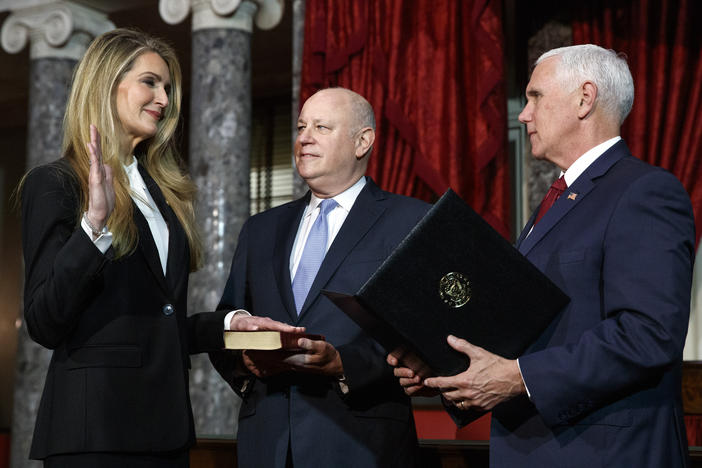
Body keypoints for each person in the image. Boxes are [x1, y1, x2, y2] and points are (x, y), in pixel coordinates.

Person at [388, 44, 695, 467]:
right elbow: (527, 328)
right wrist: (448, 369)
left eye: (535, 97)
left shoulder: (644, 191)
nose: (523, 114)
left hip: (605, 453)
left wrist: (520, 378)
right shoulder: (559, 199)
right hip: (533, 448)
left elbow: (648, 334)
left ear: (584, 99)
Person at [19, 28, 298, 467]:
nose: (164, 99)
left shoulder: (163, 194)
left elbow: (154, 323)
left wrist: (230, 323)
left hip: (165, 431)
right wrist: (94, 225)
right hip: (96, 434)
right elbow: (44, 322)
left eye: (167, 87)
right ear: (108, 83)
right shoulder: (55, 184)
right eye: (151, 82)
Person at [210, 87, 429, 467]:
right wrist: (245, 359)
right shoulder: (261, 229)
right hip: (267, 446)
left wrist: (344, 364)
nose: (303, 138)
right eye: (300, 127)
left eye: (321, 127)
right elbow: (229, 319)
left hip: (361, 445)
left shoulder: (411, 222)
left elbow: (426, 336)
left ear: (362, 141)